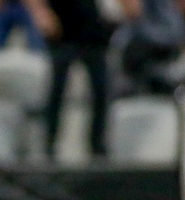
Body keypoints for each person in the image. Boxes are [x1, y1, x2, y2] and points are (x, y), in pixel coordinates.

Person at [23, 0, 131, 158]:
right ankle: (49, 142)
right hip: (62, 28)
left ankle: (97, 145)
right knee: (57, 89)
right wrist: (41, 12)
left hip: (92, 30)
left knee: (100, 90)